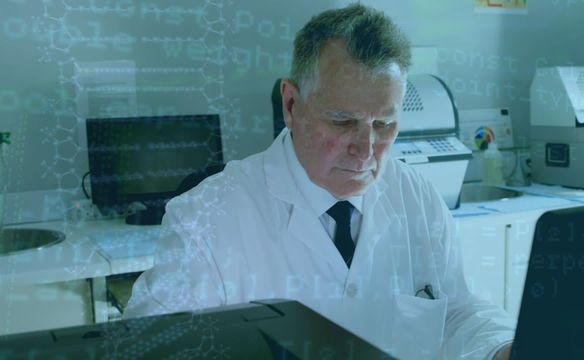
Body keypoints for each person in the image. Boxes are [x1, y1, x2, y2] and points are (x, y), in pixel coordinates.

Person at [125, 4, 515, 359]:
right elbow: (154, 347)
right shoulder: (206, 219)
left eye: (384, 124)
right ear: (291, 105)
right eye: (342, 121)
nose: (365, 150)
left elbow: (460, 311)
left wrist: (504, 349)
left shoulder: (416, 196)